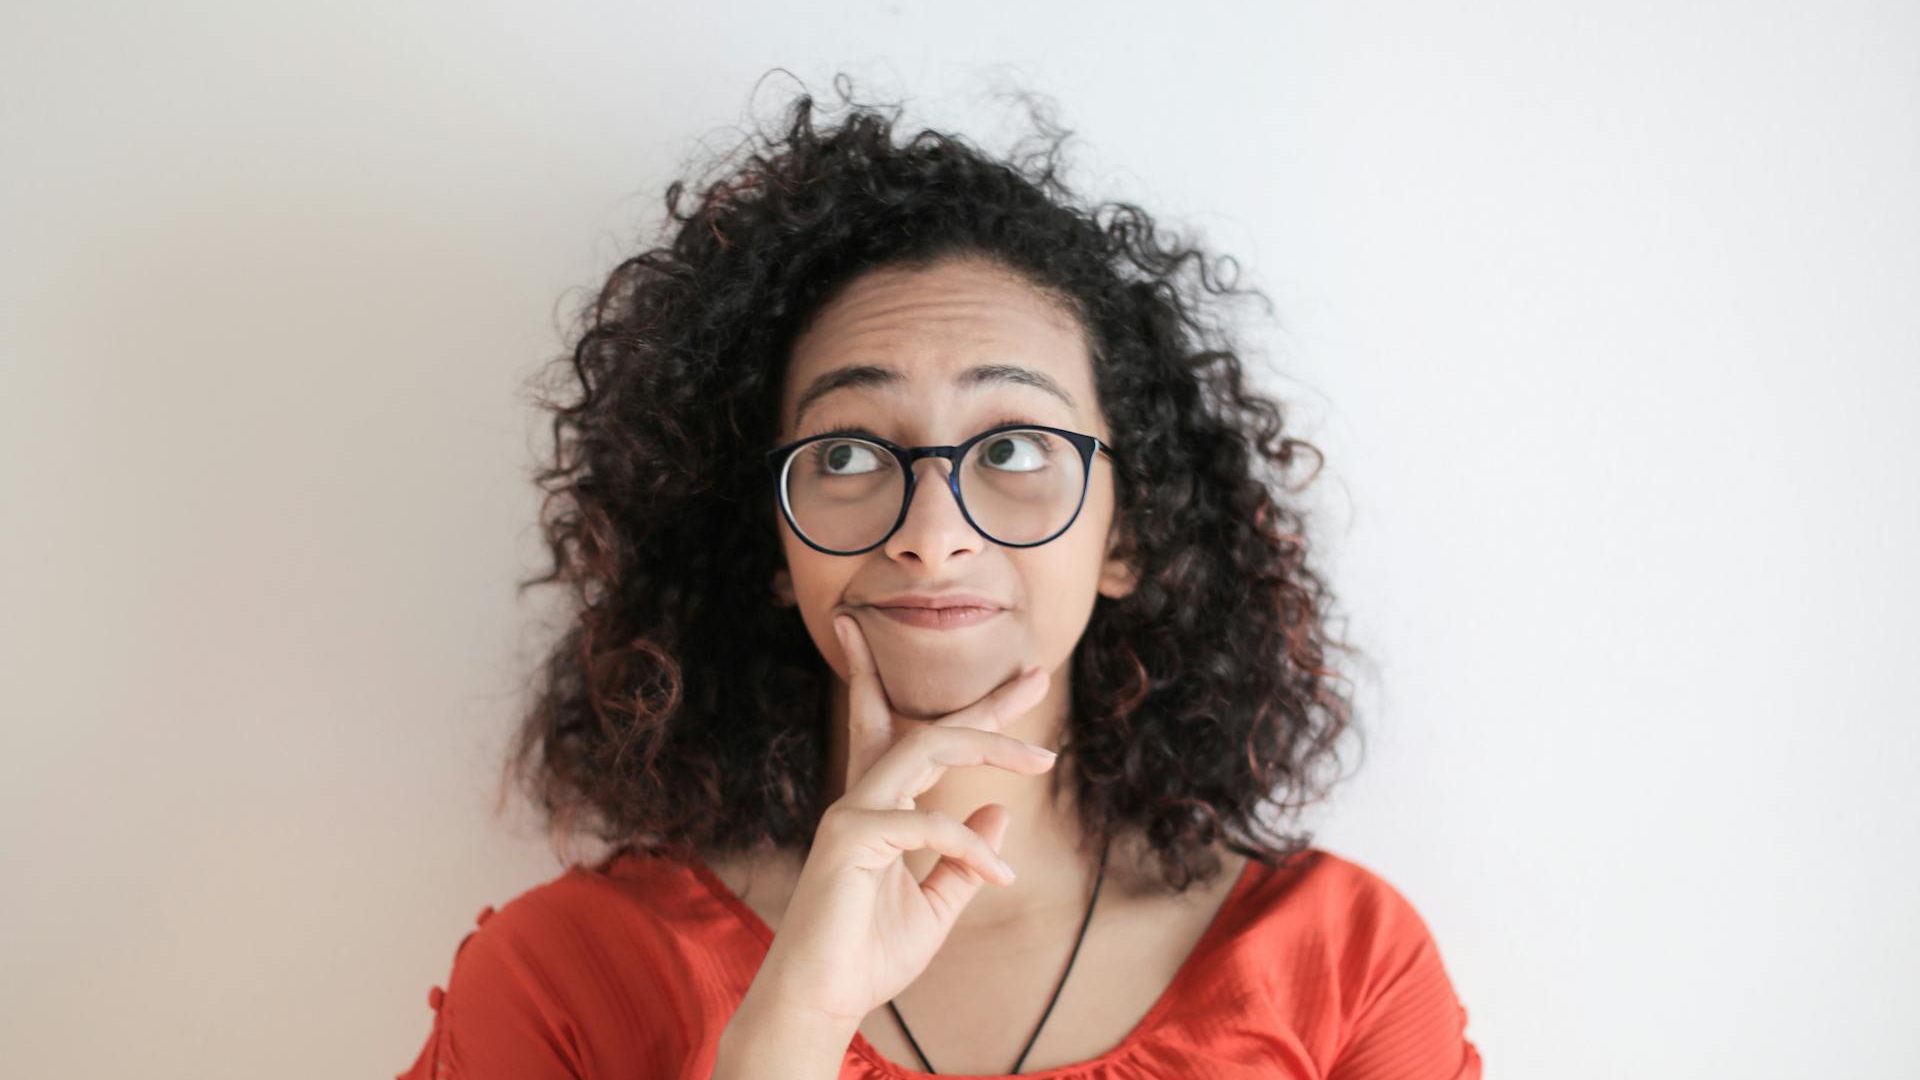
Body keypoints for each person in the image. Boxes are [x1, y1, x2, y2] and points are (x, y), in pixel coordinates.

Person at [396, 75, 1482, 1079]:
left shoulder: (1344, 966)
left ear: (1126, 535)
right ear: (772, 547)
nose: (931, 532)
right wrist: (797, 1021)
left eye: (1011, 450)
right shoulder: (568, 977)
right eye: (848, 455)